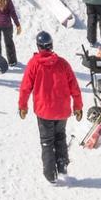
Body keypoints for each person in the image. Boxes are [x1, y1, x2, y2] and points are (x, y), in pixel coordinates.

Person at [17, 31, 82, 184]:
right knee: (60, 138)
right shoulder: (63, 63)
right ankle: (62, 167)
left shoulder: (34, 64)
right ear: (51, 45)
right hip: (62, 111)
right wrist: (78, 106)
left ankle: (49, 174)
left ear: (39, 47)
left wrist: (22, 105)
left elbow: (25, 87)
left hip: (44, 111)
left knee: (47, 141)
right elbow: (74, 86)